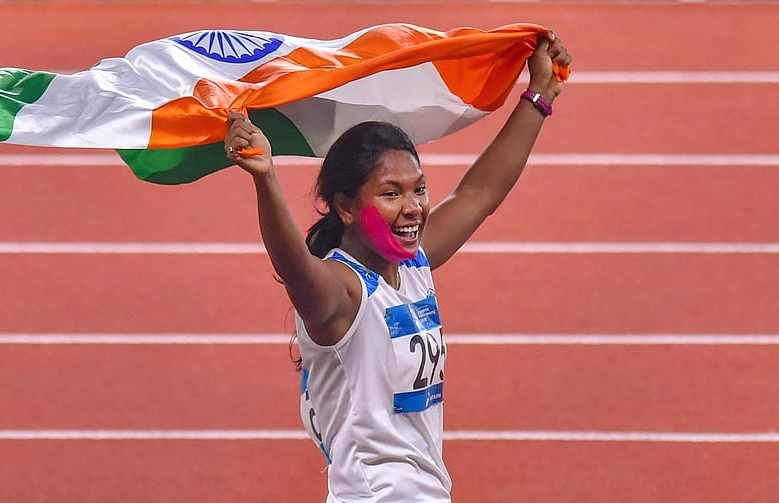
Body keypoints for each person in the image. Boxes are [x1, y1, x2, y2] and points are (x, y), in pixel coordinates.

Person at [224, 31, 570, 503]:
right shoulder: (342, 292)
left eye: (418, 189)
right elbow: (296, 268)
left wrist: (539, 96)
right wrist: (265, 180)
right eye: (391, 193)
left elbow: (478, 194)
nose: (413, 207)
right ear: (345, 207)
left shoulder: (411, 266)